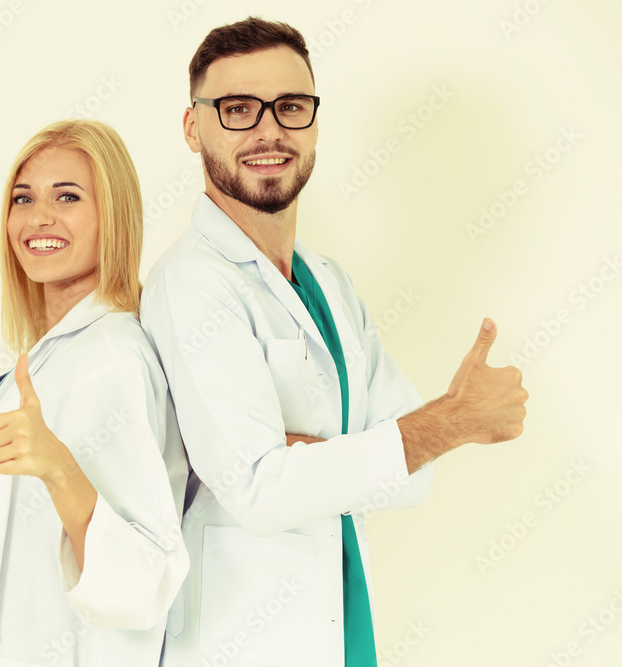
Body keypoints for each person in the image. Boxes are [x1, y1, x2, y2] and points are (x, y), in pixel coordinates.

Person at [140, 17, 528, 667]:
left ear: (314, 122)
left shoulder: (329, 281)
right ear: (192, 127)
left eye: (290, 107)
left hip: (336, 633)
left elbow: (413, 475)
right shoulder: (192, 285)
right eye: (237, 109)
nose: (269, 130)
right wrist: (449, 420)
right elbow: (260, 488)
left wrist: (313, 458)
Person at [0, 119, 189, 667]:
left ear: (112, 216)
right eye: (23, 198)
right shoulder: (46, 362)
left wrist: (61, 468)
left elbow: (144, 583)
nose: (38, 217)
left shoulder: (111, 360)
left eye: (67, 196)